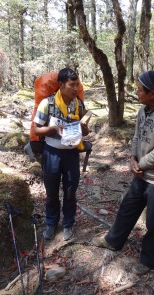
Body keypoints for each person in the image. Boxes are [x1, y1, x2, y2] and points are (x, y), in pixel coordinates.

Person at [92, 70, 154, 275]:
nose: (137, 92)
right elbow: (137, 137)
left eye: (140, 90)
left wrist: (141, 164)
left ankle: (148, 261)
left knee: (153, 223)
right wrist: (133, 158)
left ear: (152, 93)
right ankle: (113, 241)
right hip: (141, 173)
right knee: (127, 208)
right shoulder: (143, 110)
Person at [33, 68, 89, 241]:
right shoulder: (47, 104)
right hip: (52, 154)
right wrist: (53, 129)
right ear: (61, 85)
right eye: (72, 85)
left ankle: (68, 223)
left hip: (71, 155)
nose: (75, 88)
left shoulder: (78, 104)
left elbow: (84, 130)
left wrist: (84, 128)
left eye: (77, 85)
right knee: (51, 192)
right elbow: (36, 129)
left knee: (70, 191)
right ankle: (51, 223)